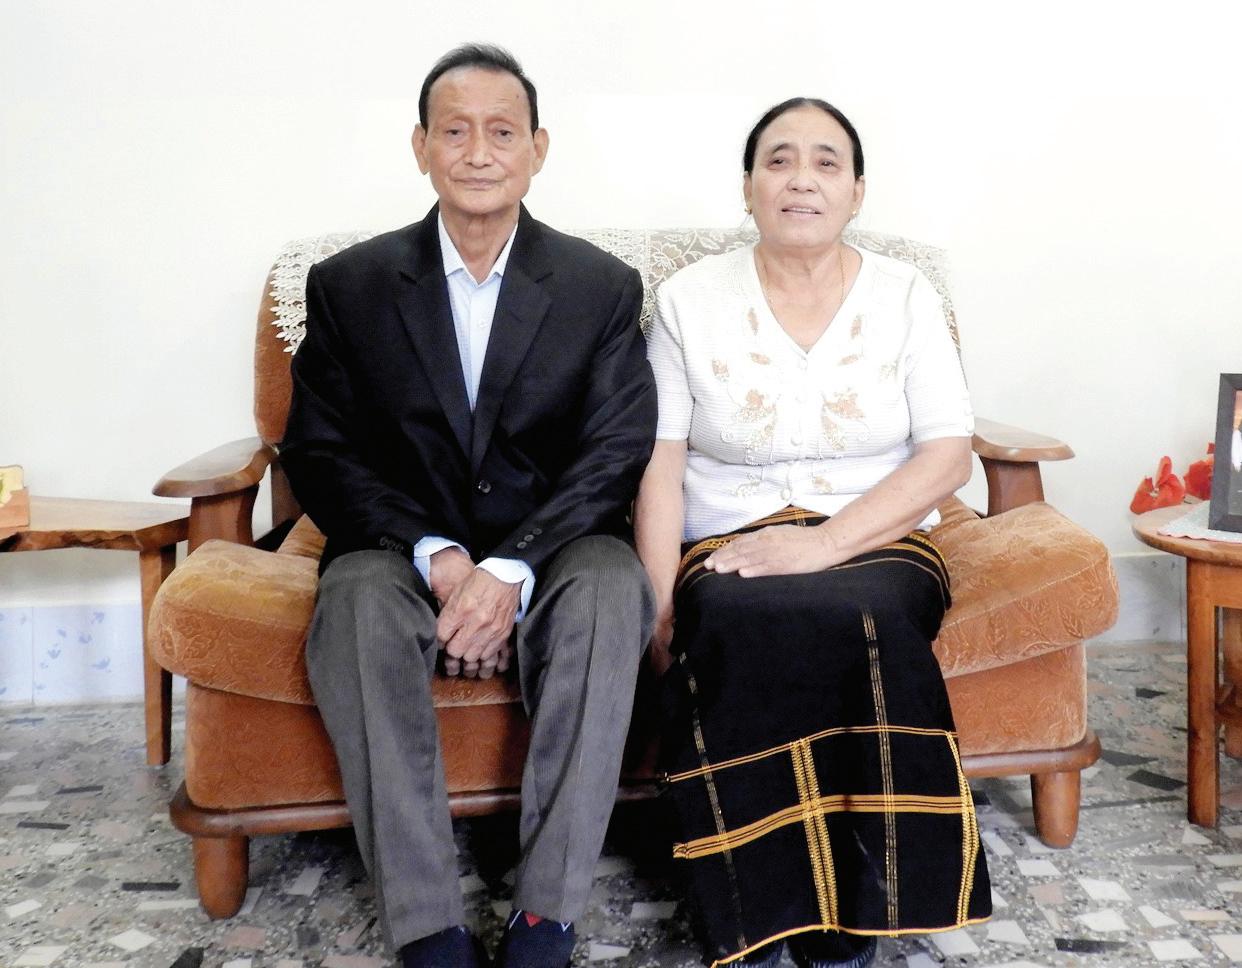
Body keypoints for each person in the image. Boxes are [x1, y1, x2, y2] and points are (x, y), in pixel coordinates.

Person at [281, 44, 657, 968]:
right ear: (420, 147)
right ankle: (427, 927)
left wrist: (509, 566)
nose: (479, 153)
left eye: (502, 132)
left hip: (556, 545)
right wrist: (439, 555)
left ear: (538, 148)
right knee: (357, 604)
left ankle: (545, 919)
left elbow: (615, 451)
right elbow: (320, 452)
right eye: (455, 132)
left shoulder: (600, 287)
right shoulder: (350, 285)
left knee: (613, 589)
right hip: (398, 545)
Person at [634, 98, 991, 968]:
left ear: (857, 191)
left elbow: (948, 455)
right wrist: (655, 607)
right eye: (780, 160)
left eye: (827, 163)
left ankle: (855, 918)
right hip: (729, 538)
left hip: (877, 538)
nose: (802, 179)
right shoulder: (686, 301)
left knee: (860, 613)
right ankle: (759, 915)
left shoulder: (905, 294)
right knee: (740, 615)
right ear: (748, 186)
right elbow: (659, 464)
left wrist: (825, 545)